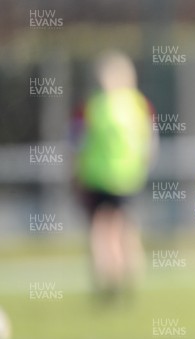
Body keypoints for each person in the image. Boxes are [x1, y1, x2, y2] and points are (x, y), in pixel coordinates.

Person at [72, 51, 156, 301]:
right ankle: (130, 281)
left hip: (97, 177)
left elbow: (77, 144)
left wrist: (75, 175)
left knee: (101, 231)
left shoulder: (92, 106)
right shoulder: (139, 104)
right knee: (126, 230)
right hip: (128, 177)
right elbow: (150, 143)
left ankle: (108, 284)